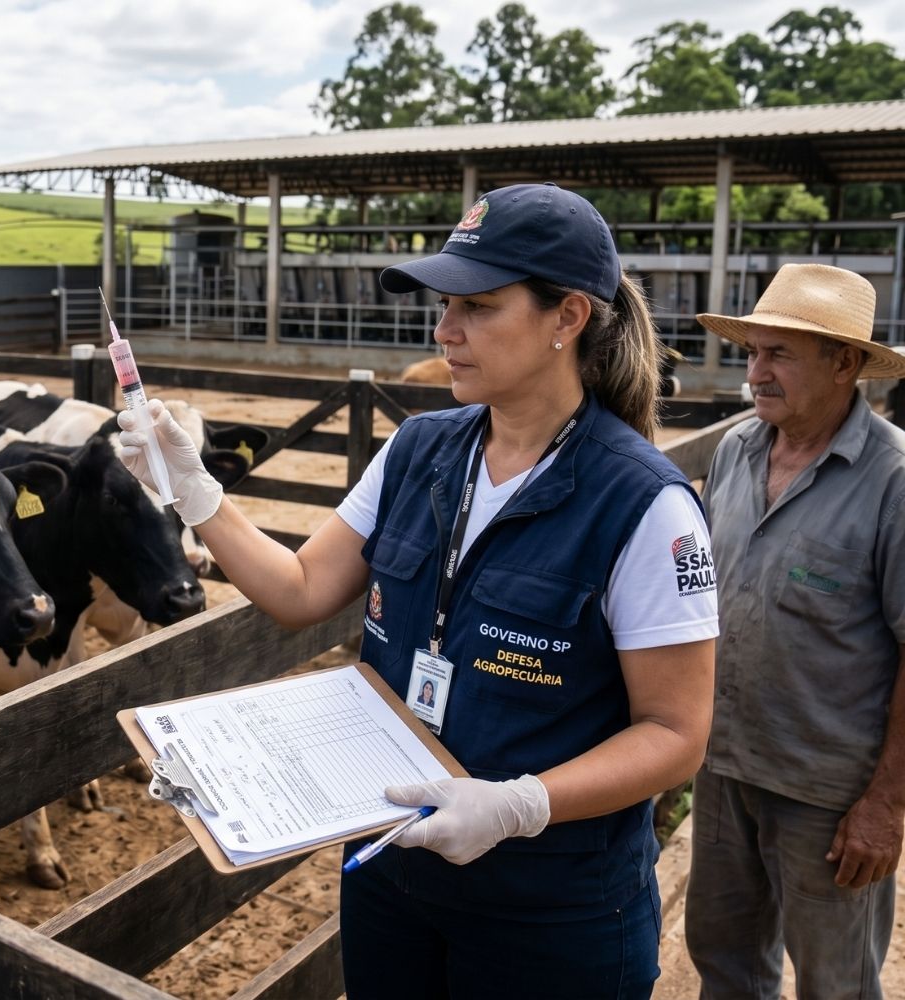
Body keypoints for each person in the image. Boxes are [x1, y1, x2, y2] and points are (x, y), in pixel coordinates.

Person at [118, 183, 717, 998]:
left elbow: (676, 732)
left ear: (568, 318)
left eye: (478, 306)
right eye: (444, 305)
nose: (444, 331)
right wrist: (197, 495)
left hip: (549, 913)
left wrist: (519, 805)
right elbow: (301, 588)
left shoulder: (643, 504)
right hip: (392, 875)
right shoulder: (418, 450)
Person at [687, 263, 905, 998]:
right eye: (753, 352)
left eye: (778, 354)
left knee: (836, 983)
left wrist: (886, 804)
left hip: (828, 793)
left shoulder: (894, 480)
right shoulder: (736, 451)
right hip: (723, 765)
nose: (755, 373)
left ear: (844, 364)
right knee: (723, 960)